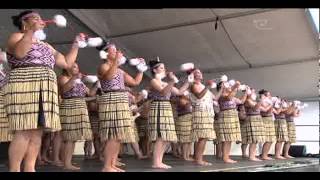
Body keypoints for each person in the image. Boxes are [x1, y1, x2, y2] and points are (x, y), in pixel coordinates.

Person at [4, 11, 84, 172]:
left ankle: (30, 168)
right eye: (36, 18)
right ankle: (14, 169)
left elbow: (66, 63)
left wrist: (76, 44)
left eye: (40, 19)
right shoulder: (16, 37)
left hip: (45, 89)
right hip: (24, 86)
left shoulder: (46, 45)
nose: (40, 21)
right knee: (24, 130)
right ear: (24, 22)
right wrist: (30, 31)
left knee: (37, 133)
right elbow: (19, 53)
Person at [97, 43, 144, 172]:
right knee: (112, 135)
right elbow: (108, 77)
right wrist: (116, 62)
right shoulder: (103, 66)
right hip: (111, 100)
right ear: (106, 54)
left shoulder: (120, 70)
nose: (117, 52)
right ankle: (106, 166)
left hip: (122, 101)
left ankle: (112, 164)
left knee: (118, 135)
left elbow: (135, 82)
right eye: (113, 50)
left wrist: (141, 69)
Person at [147, 59, 189, 169]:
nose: (164, 69)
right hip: (159, 107)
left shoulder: (166, 83)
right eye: (161, 68)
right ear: (154, 70)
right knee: (160, 136)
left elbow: (179, 92)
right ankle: (156, 162)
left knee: (165, 137)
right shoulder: (153, 81)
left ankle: (159, 161)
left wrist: (189, 81)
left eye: (164, 68)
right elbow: (163, 92)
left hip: (166, 108)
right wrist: (172, 81)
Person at [189, 69, 222, 166]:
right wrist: (207, 86)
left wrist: (221, 89)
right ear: (193, 75)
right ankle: (198, 159)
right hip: (200, 111)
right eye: (197, 73)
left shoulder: (203, 86)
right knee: (202, 136)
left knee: (204, 137)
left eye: (200, 72)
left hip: (207, 113)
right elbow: (199, 96)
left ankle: (198, 158)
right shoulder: (193, 85)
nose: (199, 74)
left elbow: (215, 98)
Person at [216, 81, 247, 163]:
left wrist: (246, 93)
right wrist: (235, 87)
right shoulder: (222, 95)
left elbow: (241, 101)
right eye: (228, 85)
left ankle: (226, 157)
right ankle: (225, 158)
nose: (229, 86)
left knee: (229, 138)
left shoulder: (233, 96)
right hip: (226, 116)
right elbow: (228, 98)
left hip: (232, 116)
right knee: (226, 138)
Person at [243, 88, 266, 161]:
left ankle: (253, 155)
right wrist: (260, 100)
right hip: (252, 120)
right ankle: (251, 156)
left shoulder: (253, 101)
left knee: (256, 139)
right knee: (253, 139)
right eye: (252, 92)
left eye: (254, 92)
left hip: (257, 119)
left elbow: (263, 109)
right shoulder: (247, 101)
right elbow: (255, 108)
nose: (254, 94)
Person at [175, 94, 193, 161]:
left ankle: (187, 155)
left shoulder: (188, 99)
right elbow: (185, 106)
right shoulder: (180, 99)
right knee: (185, 139)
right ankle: (184, 156)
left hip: (189, 119)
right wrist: (189, 100)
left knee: (189, 139)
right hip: (183, 119)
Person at [259, 89, 276, 160]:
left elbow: (276, 112)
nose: (270, 96)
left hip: (270, 120)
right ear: (265, 95)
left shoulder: (268, 101)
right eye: (269, 94)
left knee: (271, 139)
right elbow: (265, 110)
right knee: (268, 139)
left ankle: (264, 155)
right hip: (265, 119)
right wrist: (271, 104)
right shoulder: (263, 101)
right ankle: (264, 155)